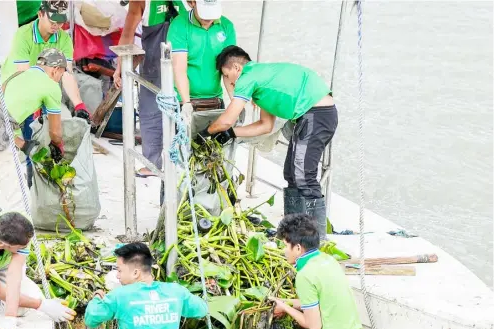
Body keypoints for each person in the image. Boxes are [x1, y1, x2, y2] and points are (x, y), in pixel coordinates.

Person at [203, 45, 337, 238]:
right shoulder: (263, 79)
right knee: (291, 173)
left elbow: (226, 119)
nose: (228, 83)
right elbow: (265, 125)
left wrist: (206, 132)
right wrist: (232, 133)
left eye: (226, 75)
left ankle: (317, 241)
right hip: (308, 116)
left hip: (317, 114)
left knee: (304, 177)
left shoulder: (248, 76)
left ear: (236, 68)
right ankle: (294, 234)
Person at [0, 48, 67, 217]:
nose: (61, 78)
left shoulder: (14, 75)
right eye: (62, 73)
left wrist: (24, 145)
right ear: (56, 70)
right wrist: (58, 147)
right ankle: (26, 242)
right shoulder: (50, 86)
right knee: (20, 198)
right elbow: (55, 132)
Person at [84, 242, 208, 329]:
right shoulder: (175, 292)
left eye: (119, 270)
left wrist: (97, 296)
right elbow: (202, 309)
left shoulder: (120, 296)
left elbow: (91, 318)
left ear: (136, 272)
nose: (118, 275)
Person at [3, 0, 90, 187]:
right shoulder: (23, 35)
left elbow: (66, 73)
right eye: (52, 20)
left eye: (60, 21)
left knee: (46, 143)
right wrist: (34, 106)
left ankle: (45, 193)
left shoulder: (63, 38)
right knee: (27, 146)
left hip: (43, 93)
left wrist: (79, 104)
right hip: (17, 92)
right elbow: (23, 75)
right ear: (41, 13)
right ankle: (31, 193)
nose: (56, 25)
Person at [270, 213, 365, 329]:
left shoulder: (305, 275)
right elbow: (321, 301)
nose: (284, 251)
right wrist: (285, 301)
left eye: (286, 246)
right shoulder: (327, 260)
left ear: (298, 248)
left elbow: (314, 325)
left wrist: (285, 309)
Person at [113, 0, 188, 180]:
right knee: (181, 109)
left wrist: (120, 67)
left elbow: (128, 33)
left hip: (158, 66)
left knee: (150, 111)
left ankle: (152, 163)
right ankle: (184, 161)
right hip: (184, 65)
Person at [167, 0, 236, 124]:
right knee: (185, 141)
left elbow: (229, 70)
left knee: (216, 141)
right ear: (191, 3)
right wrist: (186, 103)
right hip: (185, 99)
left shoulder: (226, 26)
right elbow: (179, 69)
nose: (209, 18)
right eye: (205, 12)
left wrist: (235, 101)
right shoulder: (179, 25)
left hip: (215, 99)